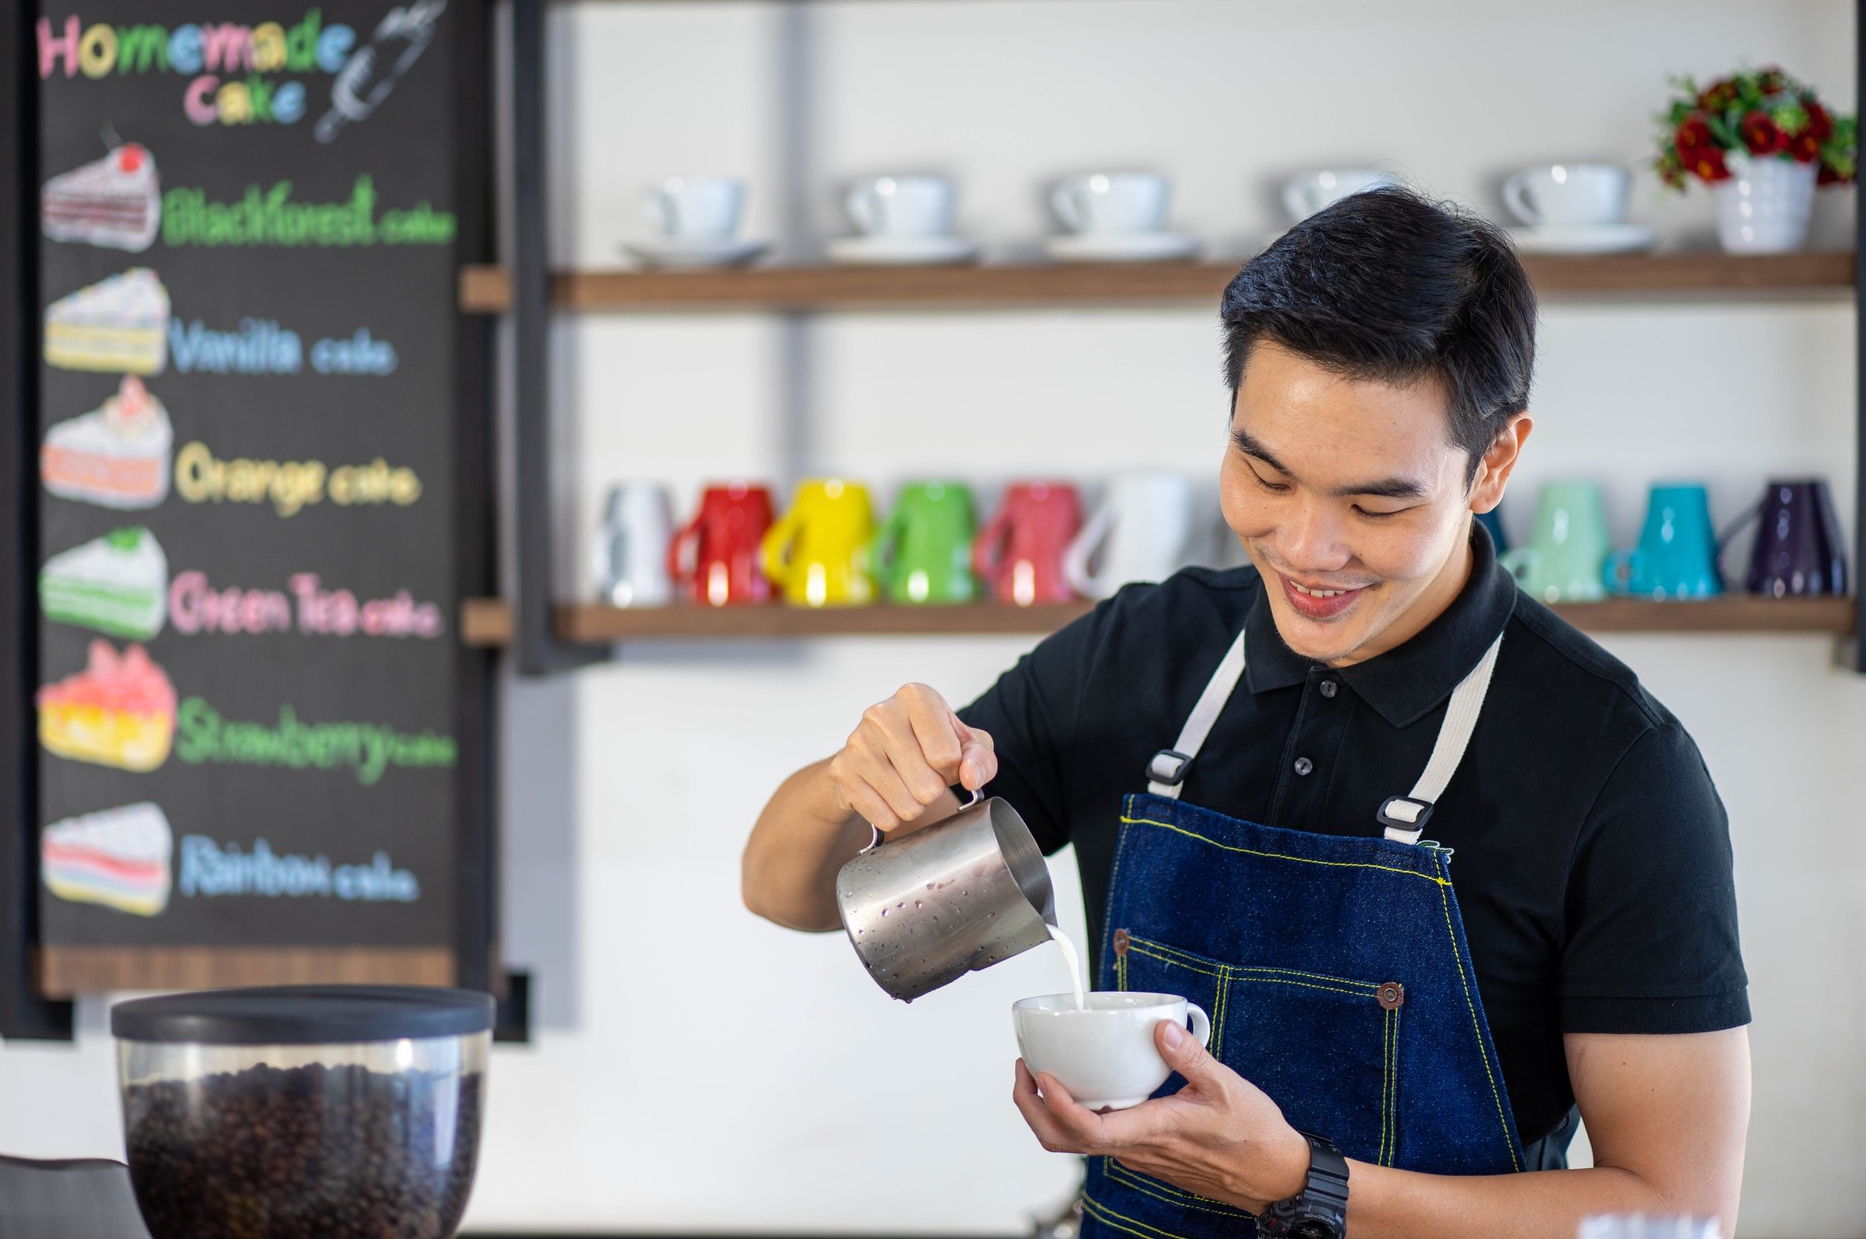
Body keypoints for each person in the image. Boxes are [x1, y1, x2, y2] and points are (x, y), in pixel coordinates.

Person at [741, 187, 1750, 1239]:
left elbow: (1677, 1214)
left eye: (1376, 502)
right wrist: (851, 777)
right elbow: (791, 892)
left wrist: (1308, 1184)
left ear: (1494, 461)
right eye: (1264, 473)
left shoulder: (1616, 764)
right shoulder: (1140, 654)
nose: (1309, 548)